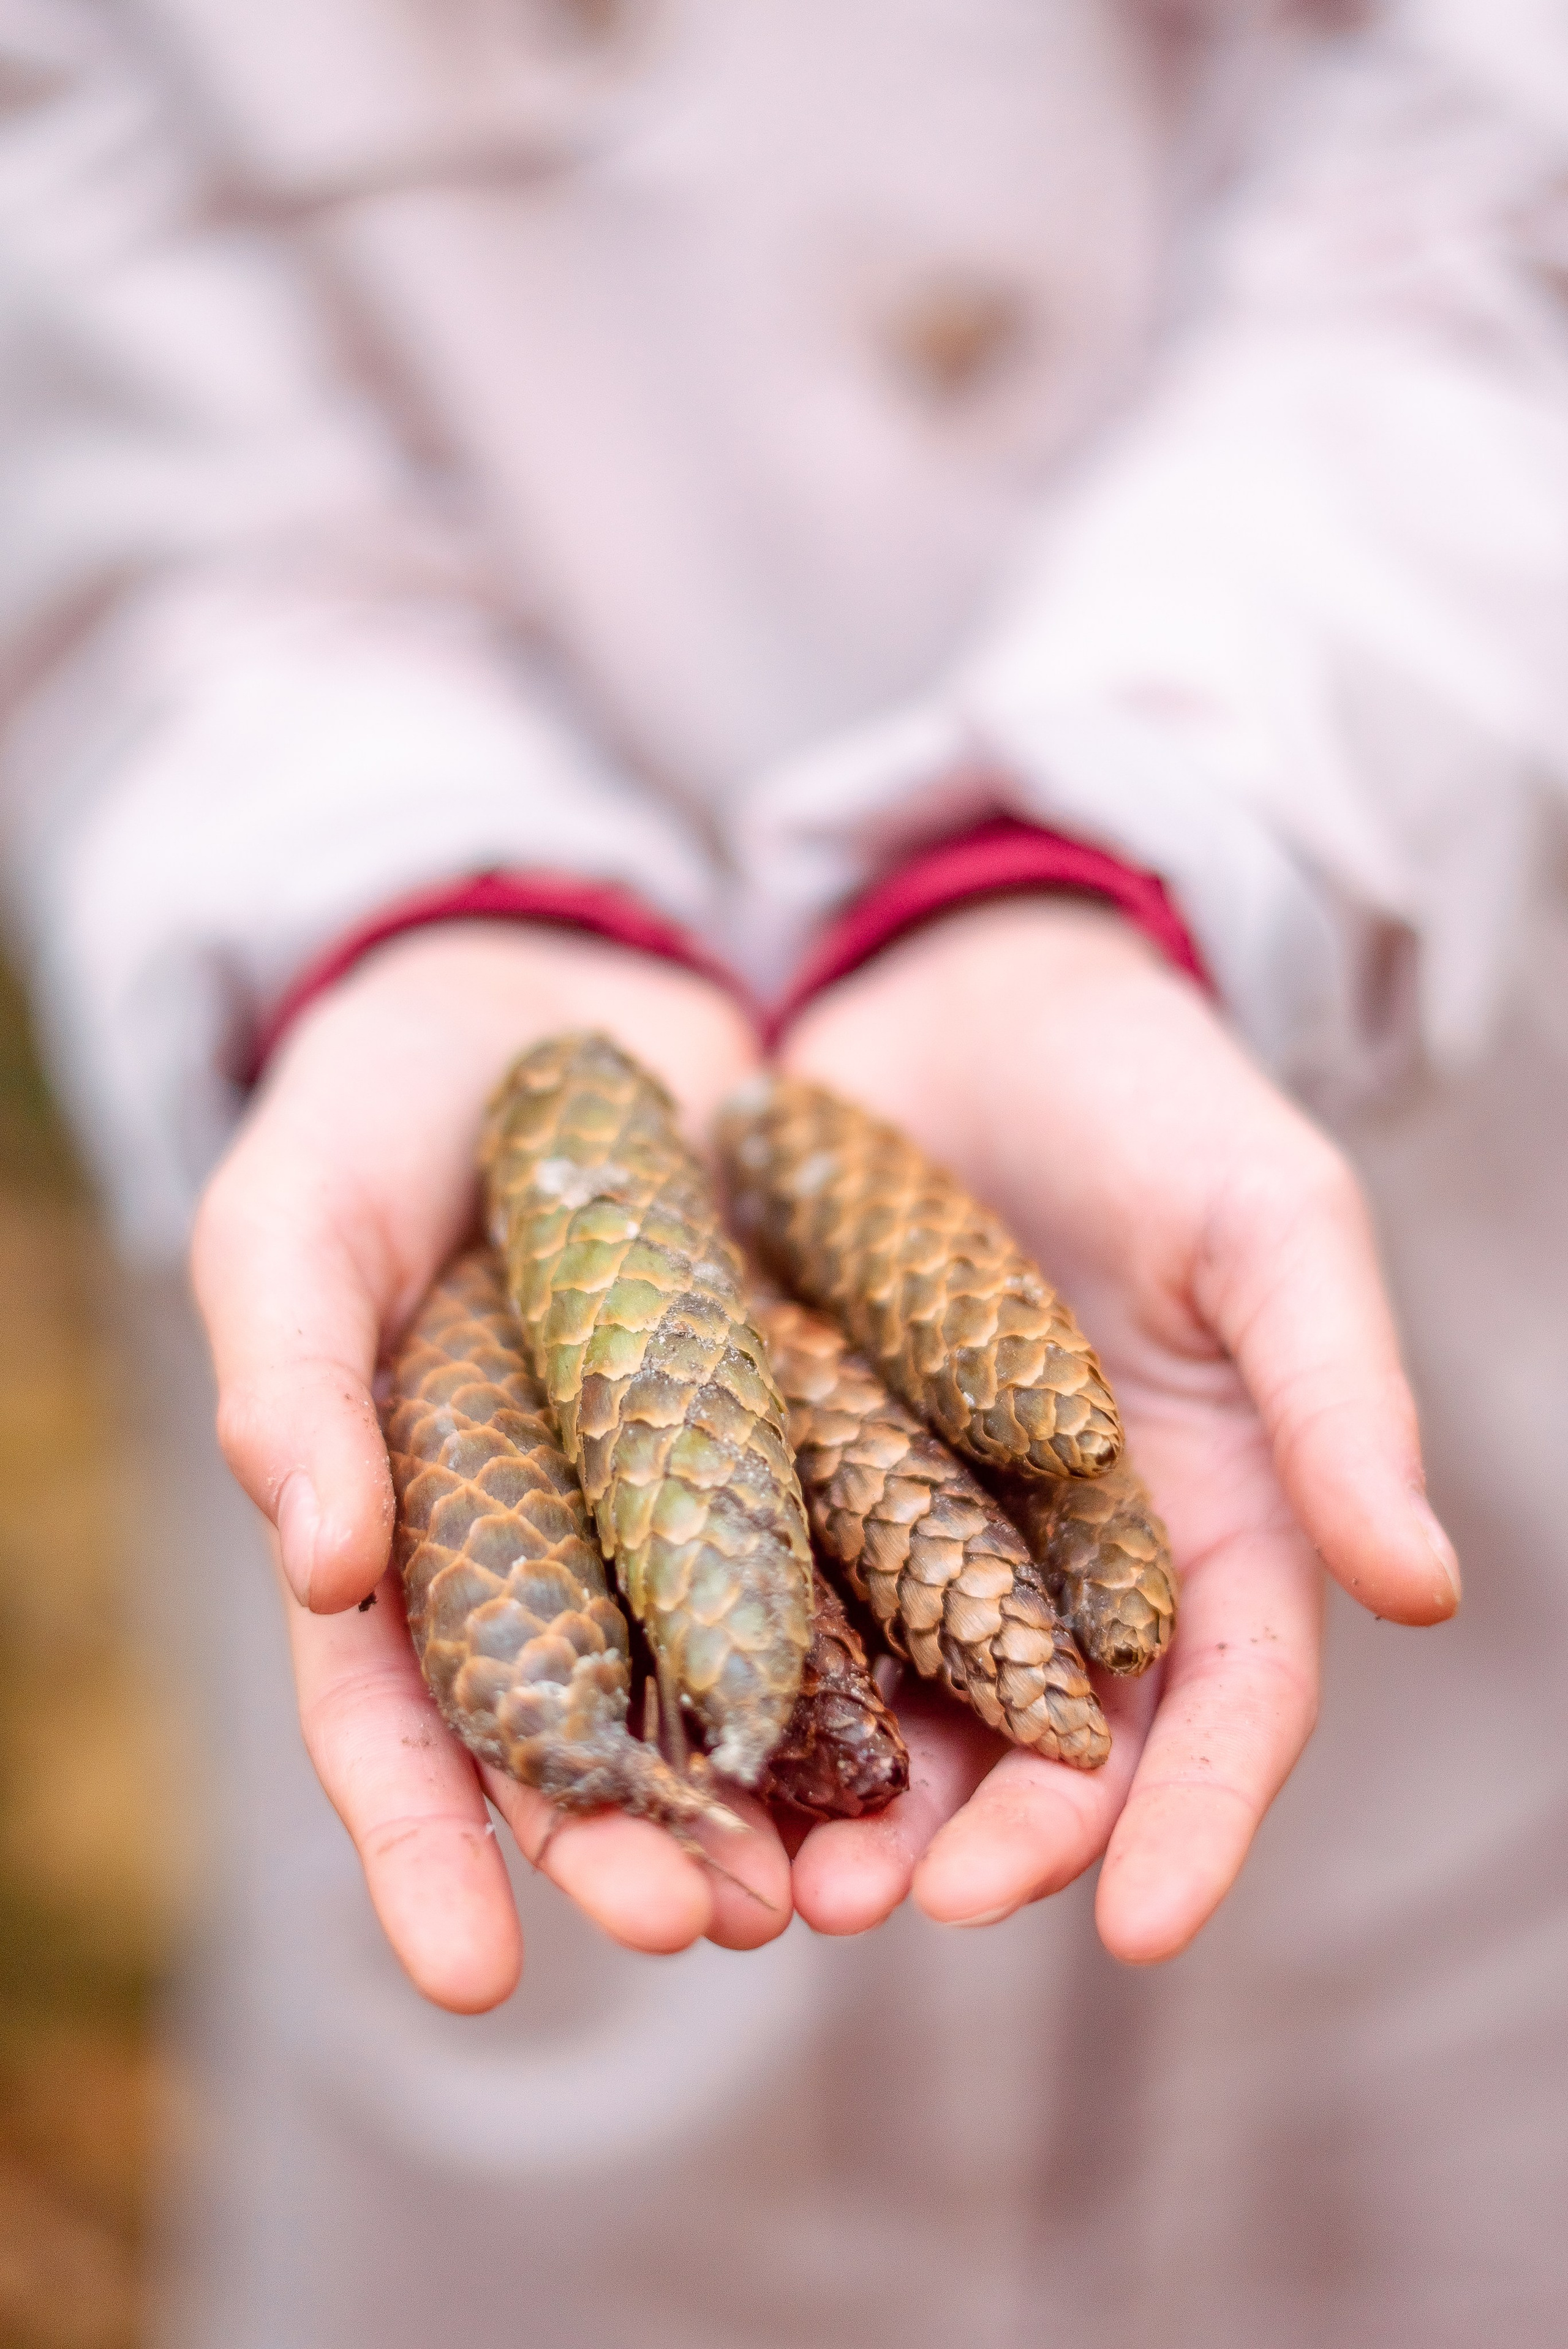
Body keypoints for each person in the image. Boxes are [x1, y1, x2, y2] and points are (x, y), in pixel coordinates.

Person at [1, 2, 1566, 2342]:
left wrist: (1110, 844)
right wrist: (392, 905)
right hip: (419, 1058)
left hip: (1357, 1043)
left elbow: (1503, 191)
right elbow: (125, 450)